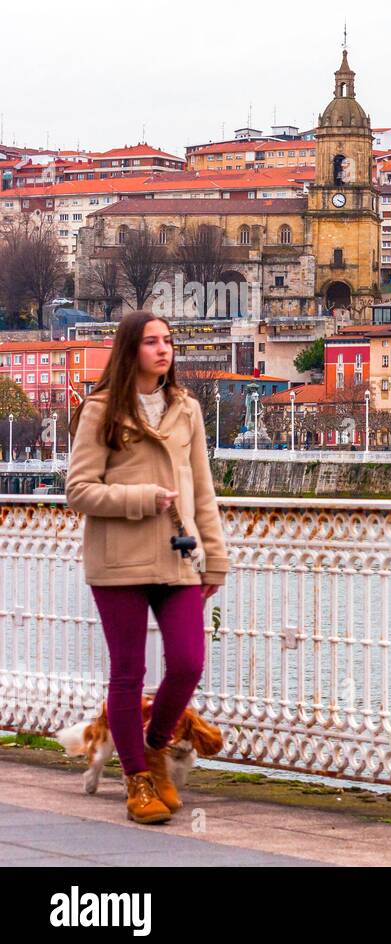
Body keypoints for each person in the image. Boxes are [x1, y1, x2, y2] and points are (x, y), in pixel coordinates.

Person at [65, 311, 229, 826]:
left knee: (187, 663)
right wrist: (142, 498)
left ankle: (155, 746)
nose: (164, 350)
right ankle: (136, 780)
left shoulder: (187, 410)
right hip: (119, 559)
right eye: (152, 341)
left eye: (169, 341)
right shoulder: (100, 411)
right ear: (130, 350)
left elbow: (203, 489)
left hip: (178, 554)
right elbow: (78, 490)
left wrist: (216, 558)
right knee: (128, 672)